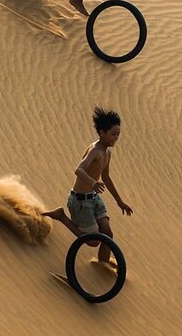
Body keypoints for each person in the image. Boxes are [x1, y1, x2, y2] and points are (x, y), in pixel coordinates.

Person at [42, 107, 134, 268]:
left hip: (94, 199)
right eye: (113, 134)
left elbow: (106, 177)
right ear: (102, 132)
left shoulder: (107, 153)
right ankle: (61, 216)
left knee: (108, 233)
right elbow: (79, 169)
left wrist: (120, 201)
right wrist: (93, 183)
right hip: (80, 201)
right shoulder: (95, 150)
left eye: (118, 134)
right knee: (92, 242)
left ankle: (103, 263)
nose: (116, 138)